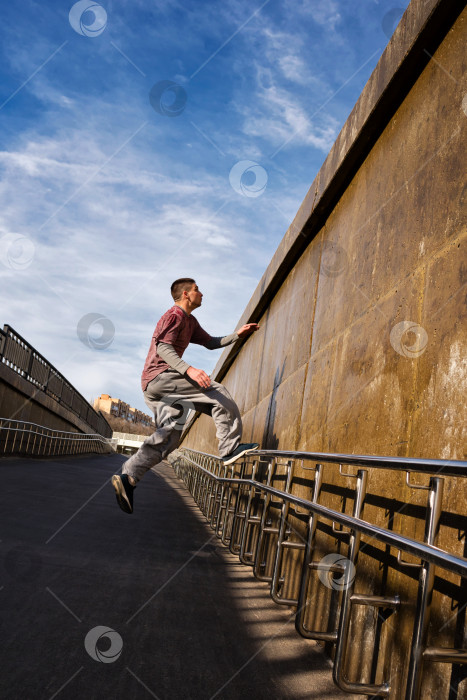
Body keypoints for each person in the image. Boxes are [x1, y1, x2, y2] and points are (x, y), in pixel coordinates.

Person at [112, 278, 260, 514]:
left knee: (170, 435)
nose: (202, 293)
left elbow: (210, 342)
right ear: (185, 294)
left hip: (153, 387)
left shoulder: (191, 322)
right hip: (161, 377)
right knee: (217, 393)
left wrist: (237, 335)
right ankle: (230, 449)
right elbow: (163, 347)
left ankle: (128, 476)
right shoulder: (174, 315)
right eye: (197, 290)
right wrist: (188, 369)